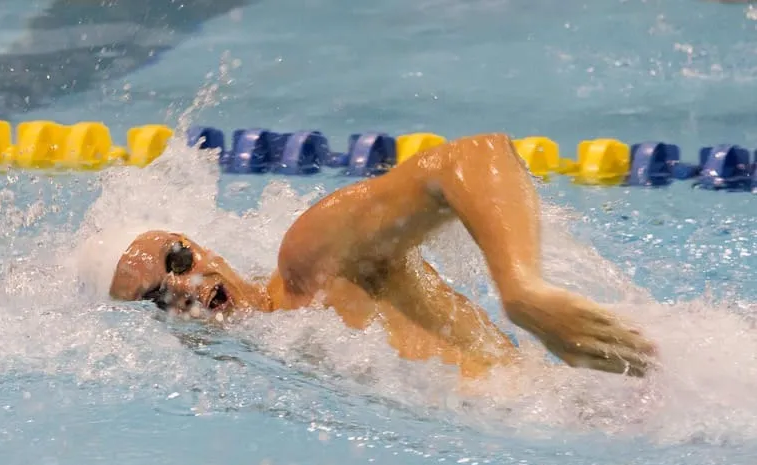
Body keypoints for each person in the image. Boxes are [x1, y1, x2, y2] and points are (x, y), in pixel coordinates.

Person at [109, 133, 657, 378]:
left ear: (203, 246)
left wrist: (522, 290)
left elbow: (472, 155)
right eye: (159, 298)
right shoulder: (273, 357)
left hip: (603, 401)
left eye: (177, 260)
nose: (184, 286)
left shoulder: (311, 262)